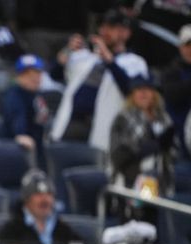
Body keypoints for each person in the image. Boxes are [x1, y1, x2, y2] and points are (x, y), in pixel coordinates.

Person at [50, 9, 148, 151]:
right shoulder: (86, 57)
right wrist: (67, 50)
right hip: (71, 125)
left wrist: (110, 62)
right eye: (103, 26)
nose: (105, 31)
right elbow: (55, 75)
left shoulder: (135, 62)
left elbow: (132, 91)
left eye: (112, 27)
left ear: (126, 33)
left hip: (103, 131)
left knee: (92, 171)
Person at [109, 75, 174, 225]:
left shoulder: (163, 118)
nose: (143, 93)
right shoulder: (123, 118)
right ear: (132, 94)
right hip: (129, 181)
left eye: (148, 89)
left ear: (154, 94)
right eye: (139, 90)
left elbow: (172, 153)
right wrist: (148, 147)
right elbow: (118, 156)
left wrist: (164, 146)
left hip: (161, 182)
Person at [0, 169, 83, 244]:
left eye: (48, 194)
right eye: (38, 195)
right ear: (26, 200)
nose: (44, 200)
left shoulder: (65, 231)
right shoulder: (11, 232)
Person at [2, 54, 50, 167]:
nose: (35, 78)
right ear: (19, 76)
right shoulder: (15, 95)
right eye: (29, 74)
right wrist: (20, 134)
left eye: (37, 73)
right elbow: (17, 117)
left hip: (39, 148)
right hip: (19, 152)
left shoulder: (37, 94)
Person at [161, 24, 191, 160]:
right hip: (178, 140)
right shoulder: (171, 71)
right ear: (181, 47)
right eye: (188, 45)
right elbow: (172, 95)